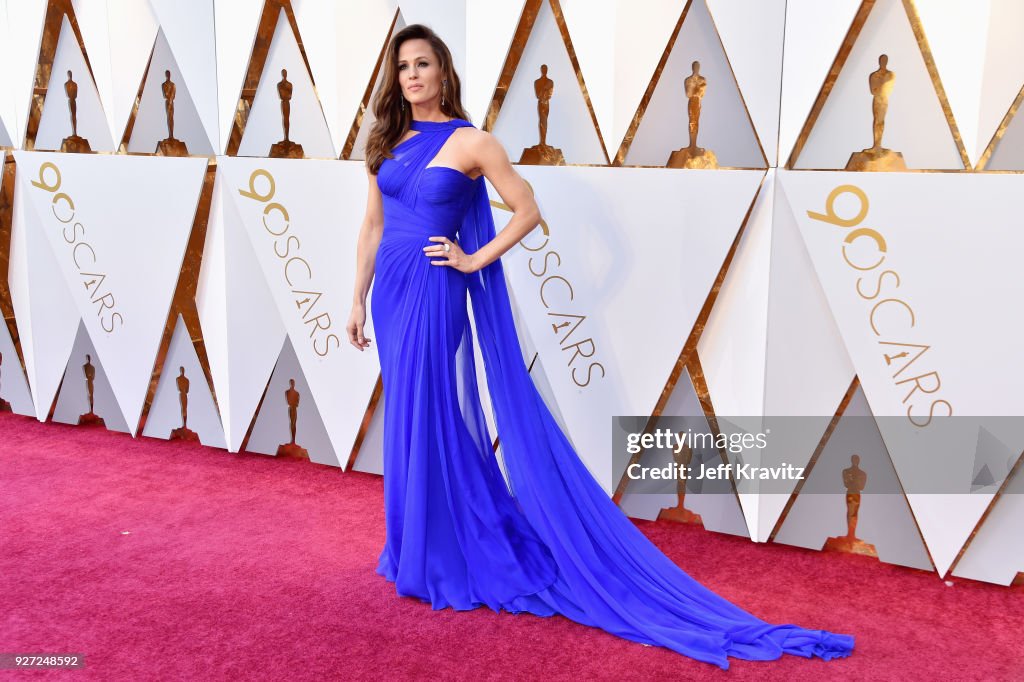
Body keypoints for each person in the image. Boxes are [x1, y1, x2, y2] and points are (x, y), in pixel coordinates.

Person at [346, 23, 854, 670]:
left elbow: (526, 210)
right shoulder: (385, 143)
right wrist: (356, 298)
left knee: (432, 413)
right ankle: (416, 544)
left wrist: (475, 259)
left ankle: (442, 553)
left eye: (423, 64)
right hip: (389, 291)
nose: (412, 76)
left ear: (444, 74)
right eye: (403, 67)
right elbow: (372, 224)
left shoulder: (473, 142)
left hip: (434, 288)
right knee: (411, 415)